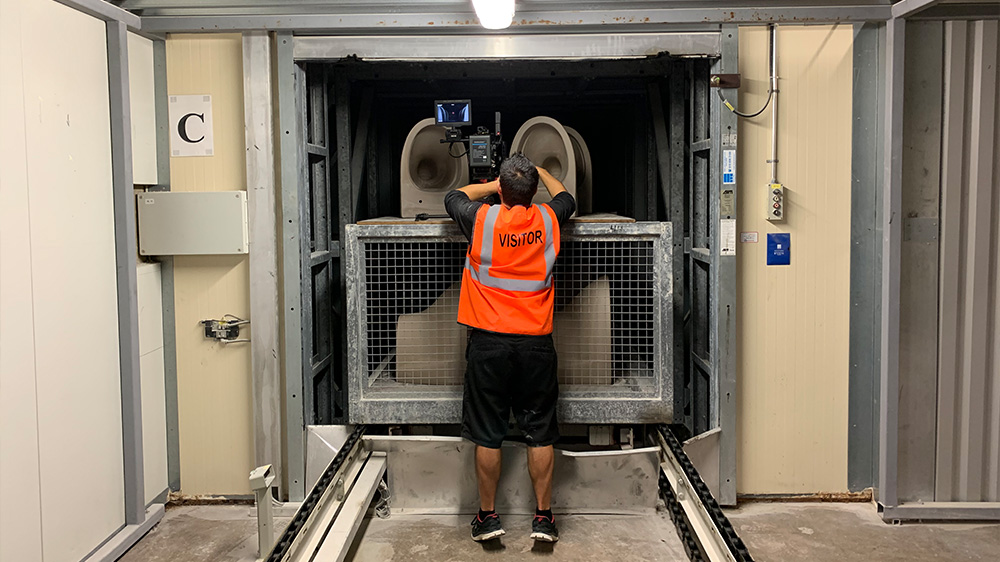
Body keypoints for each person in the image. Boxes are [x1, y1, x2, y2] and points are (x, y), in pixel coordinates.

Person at [443, 152, 576, 544]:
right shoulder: (549, 219)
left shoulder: (482, 220)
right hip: (536, 342)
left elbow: (453, 195)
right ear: (534, 191)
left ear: (501, 189)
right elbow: (567, 197)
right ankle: (544, 518)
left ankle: (487, 517)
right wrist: (547, 173)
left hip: (488, 343)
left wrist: (492, 186)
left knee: (488, 434)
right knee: (540, 432)